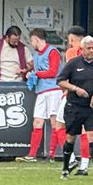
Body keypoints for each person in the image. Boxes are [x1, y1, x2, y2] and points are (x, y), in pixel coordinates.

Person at [55, 35, 93, 180]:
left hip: (91, 108)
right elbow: (60, 81)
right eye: (89, 48)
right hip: (74, 107)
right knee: (70, 138)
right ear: (82, 49)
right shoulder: (73, 63)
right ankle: (65, 169)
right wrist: (75, 88)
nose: (92, 51)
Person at [18, 28, 64, 162]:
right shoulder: (36, 55)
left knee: (55, 122)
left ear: (36, 39)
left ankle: (52, 154)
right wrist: (27, 72)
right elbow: (38, 71)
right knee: (37, 121)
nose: (31, 43)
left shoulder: (53, 52)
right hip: (41, 91)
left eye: (31, 40)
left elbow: (53, 72)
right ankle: (32, 154)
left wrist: (35, 74)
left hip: (54, 90)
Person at [63, 26, 92, 170]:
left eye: (70, 40)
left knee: (59, 125)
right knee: (86, 130)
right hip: (90, 93)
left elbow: (70, 73)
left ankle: (71, 159)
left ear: (73, 39)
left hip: (73, 94)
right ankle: (84, 166)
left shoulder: (71, 53)